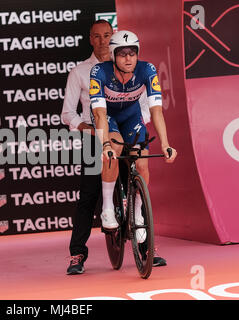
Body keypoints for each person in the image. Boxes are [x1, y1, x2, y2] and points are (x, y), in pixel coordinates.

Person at [62, 22, 167, 275]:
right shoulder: (80, 72)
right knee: (88, 195)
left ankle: (146, 248)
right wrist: (90, 130)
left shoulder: (134, 66)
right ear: (91, 39)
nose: (101, 40)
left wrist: (137, 126)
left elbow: (145, 105)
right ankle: (77, 254)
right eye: (96, 36)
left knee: (138, 173)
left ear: (113, 38)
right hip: (94, 132)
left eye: (106, 35)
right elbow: (68, 114)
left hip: (128, 126)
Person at [90, 30, 177, 254]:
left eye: (132, 53)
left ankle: (137, 212)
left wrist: (166, 144)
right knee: (116, 146)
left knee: (142, 161)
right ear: (112, 55)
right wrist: (106, 146)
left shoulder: (147, 70)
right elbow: (99, 114)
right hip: (107, 117)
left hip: (130, 116)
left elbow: (157, 111)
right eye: (122, 54)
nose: (128, 58)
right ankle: (108, 206)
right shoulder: (99, 71)